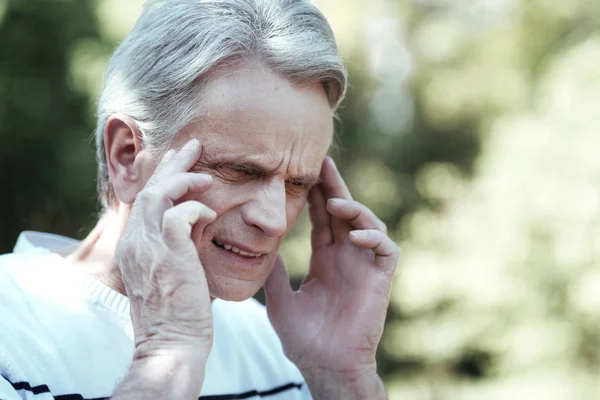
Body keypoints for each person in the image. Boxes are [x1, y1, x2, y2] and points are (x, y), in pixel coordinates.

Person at [0, 0, 400, 399]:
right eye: (238, 171)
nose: (275, 220)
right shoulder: (11, 334)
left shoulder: (277, 348)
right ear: (126, 156)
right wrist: (168, 356)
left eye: (298, 184)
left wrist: (341, 378)